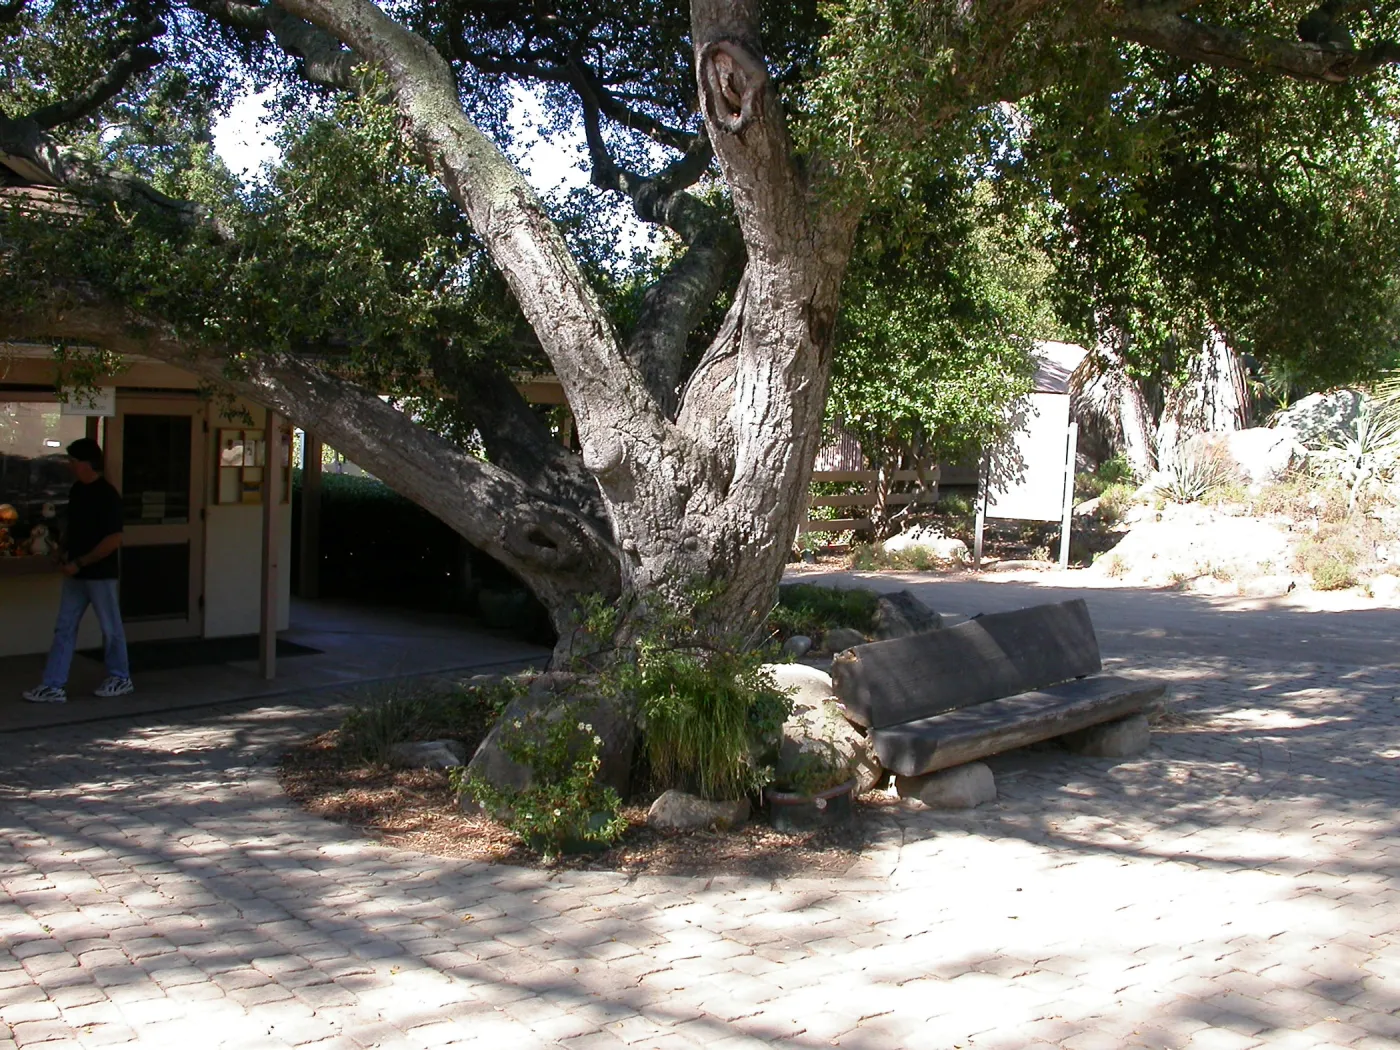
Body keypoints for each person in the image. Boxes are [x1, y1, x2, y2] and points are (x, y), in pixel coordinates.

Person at [22, 438, 135, 703]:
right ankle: (53, 685)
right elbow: (73, 526)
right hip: (76, 571)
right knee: (64, 627)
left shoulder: (107, 495)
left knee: (110, 627)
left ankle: (120, 677)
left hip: (99, 574)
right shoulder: (77, 491)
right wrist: (62, 551)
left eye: (73, 461)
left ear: (86, 464)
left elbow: (113, 539)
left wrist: (81, 562)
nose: (70, 466)